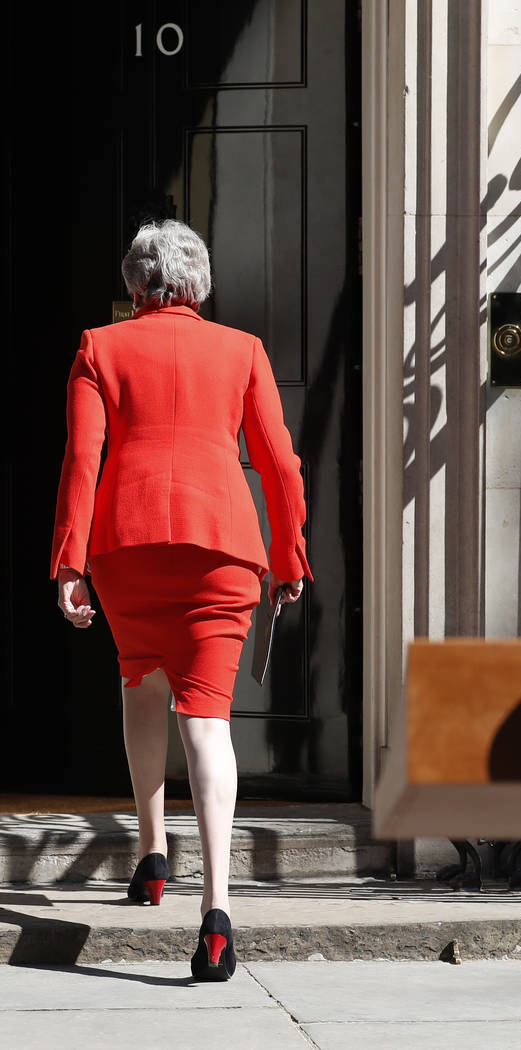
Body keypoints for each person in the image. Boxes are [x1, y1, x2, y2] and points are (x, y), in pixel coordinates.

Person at [50, 219, 312, 981]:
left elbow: (81, 458)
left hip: (125, 547)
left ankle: (151, 855)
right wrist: (290, 554)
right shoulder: (243, 351)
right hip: (222, 549)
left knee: (140, 680)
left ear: (136, 285)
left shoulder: (100, 347)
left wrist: (68, 561)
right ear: (200, 285)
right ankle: (217, 912)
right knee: (206, 716)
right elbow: (279, 464)